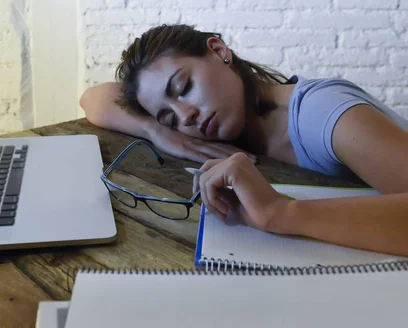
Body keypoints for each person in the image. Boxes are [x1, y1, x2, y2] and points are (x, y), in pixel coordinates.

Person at [80, 24, 408, 256]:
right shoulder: (226, 122)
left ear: (219, 51)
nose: (186, 116)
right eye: (169, 115)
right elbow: (94, 98)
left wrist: (281, 213)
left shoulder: (323, 114)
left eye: (183, 88)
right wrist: (160, 133)